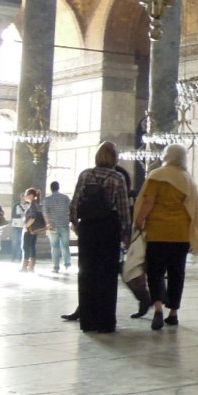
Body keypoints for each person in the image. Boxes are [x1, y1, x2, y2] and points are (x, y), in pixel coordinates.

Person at [133, 143, 198, 332]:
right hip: (180, 234)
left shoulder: (157, 175)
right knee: (177, 273)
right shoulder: (187, 179)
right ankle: (173, 313)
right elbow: (194, 207)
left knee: (156, 271)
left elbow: (148, 201)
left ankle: (157, 307)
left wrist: (139, 220)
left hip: (157, 232)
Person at [66, 142, 132, 332]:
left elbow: (74, 204)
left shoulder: (86, 175)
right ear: (114, 158)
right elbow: (122, 209)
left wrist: (77, 226)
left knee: (86, 274)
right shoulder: (117, 177)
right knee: (107, 276)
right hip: (108, 229)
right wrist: (125, 233)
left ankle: (87, 321)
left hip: (88, 228)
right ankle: (105, 322)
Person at [42, 181, 72, 272]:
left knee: (54, 246)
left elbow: (45, 213)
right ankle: (67, 263)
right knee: (65, 245)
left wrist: (48, 224)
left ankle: (56, 266)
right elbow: (71, 210)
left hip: (53, 226)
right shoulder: (65, 198)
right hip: (64, 224)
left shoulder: (47, 200)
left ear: (51, 188)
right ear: (58, 187)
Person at [19, 188, 46, 272]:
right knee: (32, 247)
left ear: (31, 195)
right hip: (34, 230)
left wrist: (25, 226)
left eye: (26, 194)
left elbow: (32, 218)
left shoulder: (32, 205)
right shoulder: (38, 204)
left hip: (29, 229)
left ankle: (24, 266)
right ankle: (31, 266)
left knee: (25, 247)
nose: (25, 196)